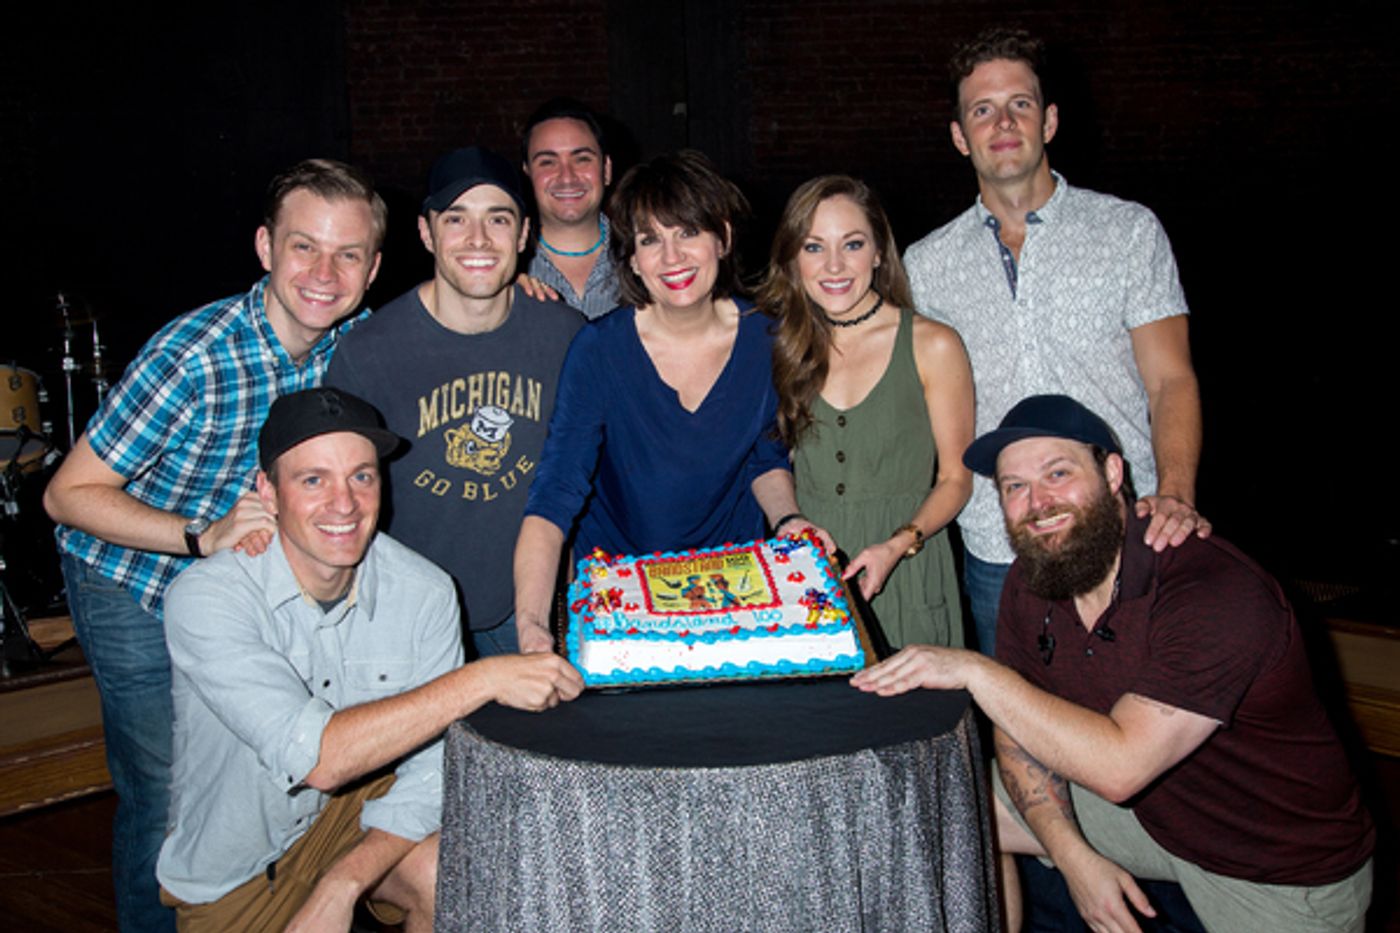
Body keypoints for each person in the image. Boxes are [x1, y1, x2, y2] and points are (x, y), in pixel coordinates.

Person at [854, 395, 1375, 933]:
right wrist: (1075, 858)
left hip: (1274, 864)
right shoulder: (1033, 580)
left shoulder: (1213, 590)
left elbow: (1121, 768)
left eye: (1058, 473)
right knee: (954, 802)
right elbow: (1018, 739)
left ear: (1111, 471)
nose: (1038, 501)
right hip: (1154, 817)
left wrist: (977, 671)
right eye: (1015, 486)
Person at [42, 159, 385, 932]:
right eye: (304, 247)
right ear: (265, 247)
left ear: (375, 266)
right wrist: (198, 536)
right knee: (165, 790)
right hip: (132, 575)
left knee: (249, 772)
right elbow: (66, 493)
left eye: (349, 254)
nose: (324, 274)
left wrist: (525, 284)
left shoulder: (360, 340)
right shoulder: (194, 354)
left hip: (241, 585)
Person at [155, 387, 582, 932]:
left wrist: (345, 881)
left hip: (353, 817)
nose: (344, 503)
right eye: (313, 480)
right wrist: (486, 677)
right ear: (268, 492)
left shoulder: (424, 589)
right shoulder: (209, 598)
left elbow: (434, 772)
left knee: (451, 871)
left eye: (362, 475)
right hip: (241, 864)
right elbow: (319, 759)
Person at [902, 28, 1207, 656]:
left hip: (1124, 531)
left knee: (1139, 732)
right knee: (1019, 735)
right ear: (960, 136)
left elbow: (1171, 379)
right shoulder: (926, 265)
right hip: (999, 545)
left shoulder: (1127, 231)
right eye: (981, 110)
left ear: (1050, 121)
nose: (1003, 122)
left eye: (1020, 103)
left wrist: (1174, 491)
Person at [514, 149, 828, 654]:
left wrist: (790, 520)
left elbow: (765, 458)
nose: (672, 257)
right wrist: (531, 626)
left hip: (734, 594)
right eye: (650, 240)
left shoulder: (768, 339)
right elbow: (554, 493)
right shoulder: (599, 350)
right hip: (620, 601)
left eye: (688, 232)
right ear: (632, 260)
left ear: (722, 238)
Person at [327, 145, 582, 657]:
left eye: (498, 219)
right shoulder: (368, 352)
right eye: (457, 219)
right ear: (426, 232)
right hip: (405, 618)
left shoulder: (567, 338)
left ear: (525, 233)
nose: (479, 240)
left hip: (524, 612)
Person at [759, 175, 974, 648]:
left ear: (879, 251)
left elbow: (957, 479)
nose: (834, 265)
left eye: (852, 244)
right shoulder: (781, 346)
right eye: (814, 247)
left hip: (908, 571)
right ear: (794, 258)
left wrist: (898, 545)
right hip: (812, 579)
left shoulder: (932, 344)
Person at [522, 97, 621, 319]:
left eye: (582, 159)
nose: (567, 176)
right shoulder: (507, 270)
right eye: (548, 162)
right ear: (527, 174)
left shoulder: (646, 259)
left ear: (606, 169)